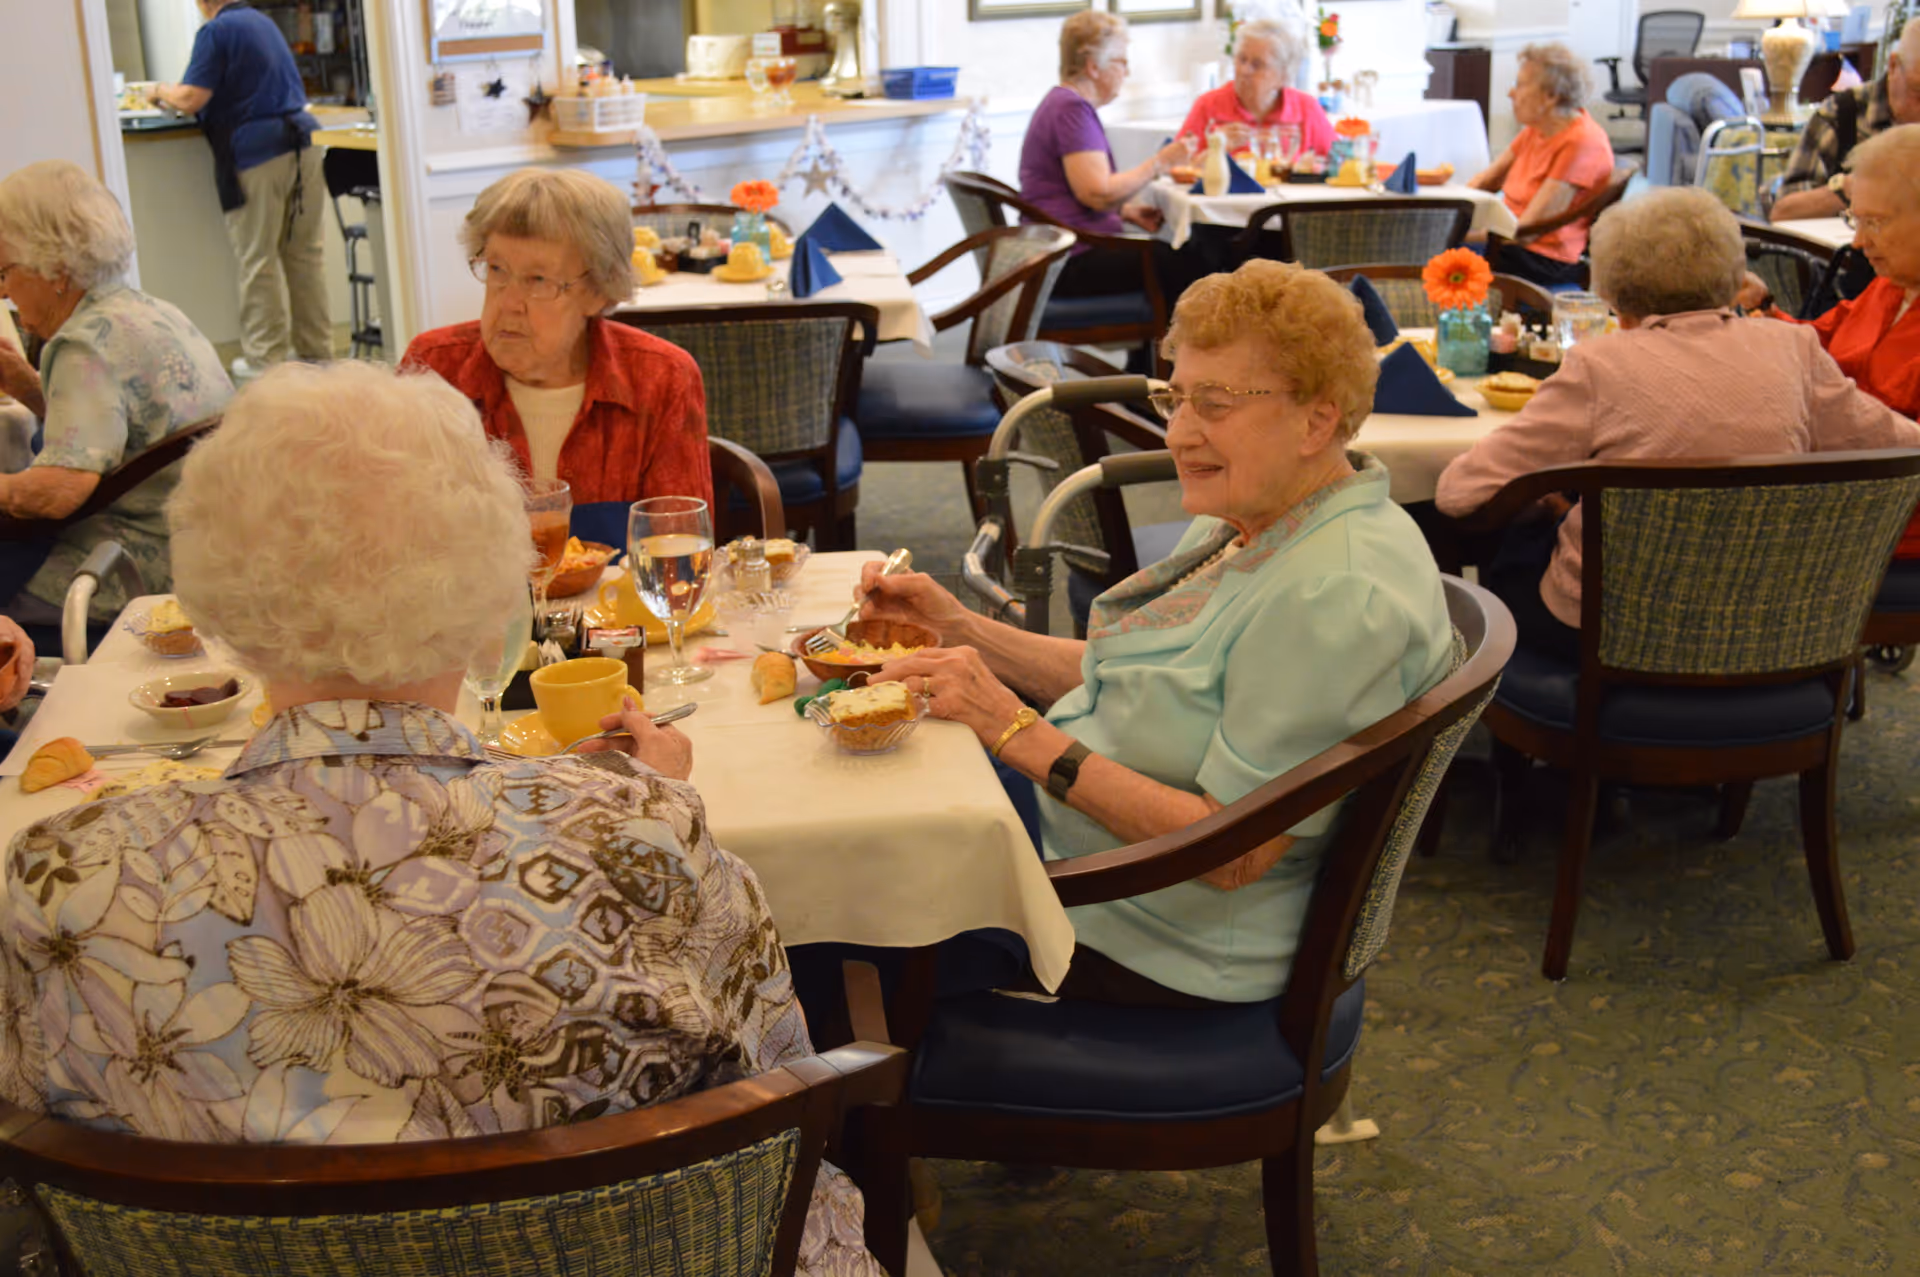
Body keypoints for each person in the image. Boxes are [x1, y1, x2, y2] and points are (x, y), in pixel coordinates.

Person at [0, 361, 880, 1277]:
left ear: (222, 603)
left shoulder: (62, 876)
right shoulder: (644, 834)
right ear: (490, 594)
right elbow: (773, 1103)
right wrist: (620, 806)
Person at [857, 261, 1454, 1006]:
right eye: (1178, 398)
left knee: (845, 893)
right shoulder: (1260, 515)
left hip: (1153, 931)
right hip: (1100, 848)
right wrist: (960, 629)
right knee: (864, 801)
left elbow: (1233, 851)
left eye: (1216, 403)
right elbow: (1142, 679)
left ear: (1318, 419)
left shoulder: (1334, 594)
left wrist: (1008, 726)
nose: (1179, 432)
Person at [1436, 187, 1920, 660]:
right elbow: (1904, 450)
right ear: (1735, 278)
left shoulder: (1599, 365)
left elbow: (1460, 494)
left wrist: (1549, 493)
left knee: (1512, 553)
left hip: (1614, 636)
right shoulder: (1793, 350)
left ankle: (1500, 717)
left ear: (1609, 287)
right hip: (1771, 629)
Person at [403, 168, 712, 527]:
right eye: (497, 270)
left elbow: (681, 553)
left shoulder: (659, 379)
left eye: (538, 280)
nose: (509, 303)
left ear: (598, 290)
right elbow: (396, 539)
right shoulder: (434, 371)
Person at [0, 160, 231, 624]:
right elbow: (109, 435)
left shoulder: (83, 344)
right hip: (207, 545)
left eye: (5, 272)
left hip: (133, 566)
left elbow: (60, 490)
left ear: (55, 269)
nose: (5, 293)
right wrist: (23, 382)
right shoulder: (148, 312)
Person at [149, 0, 329, 380]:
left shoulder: (216, 31)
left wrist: (159, 90)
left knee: (258, 260)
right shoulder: (262, 24)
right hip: (303, 147)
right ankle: (320, 359)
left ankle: (267, 365)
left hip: (257, 155)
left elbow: (190, 98)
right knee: (305, 257)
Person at [1018, 10, 1187, 299]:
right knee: (1190, 263)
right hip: (1067, 260)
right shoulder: (1071, 111)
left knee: (1178, 257)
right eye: (1121, 62)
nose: (1127, 72)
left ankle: (1155, 344)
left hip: (1058, 249)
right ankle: (1166, 344)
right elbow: (1097, 194)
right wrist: (1160, 162)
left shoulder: (1064, 104)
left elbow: (1079, 191)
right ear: (1093, 67)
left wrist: (1125, 212)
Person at [1467, 43, 1616, 289]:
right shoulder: (1536, 130)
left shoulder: (1581, 142)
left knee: (1427, 254)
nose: (1511, 93)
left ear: (1551, 96)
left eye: (1521, 85)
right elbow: (1484, 183)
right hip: (1507, 240)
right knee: (1424, 243)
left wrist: (1461, 233)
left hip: (1541, 258)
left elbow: (1528, 231)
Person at [1772, 17, 1920, 223]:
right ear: (1894, 66)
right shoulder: (1843, 114)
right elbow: (1783, 210)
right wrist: (1852, 188)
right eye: (1918, 92)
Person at [1176, 19, 1333, 160]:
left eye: (1257, 65)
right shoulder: (1209, 105)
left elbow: (1337, 163)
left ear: (1283, 76)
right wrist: (1216, 148)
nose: (1244, 70)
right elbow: (1174, 168)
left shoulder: (1306, 108)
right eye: (1241, 59)